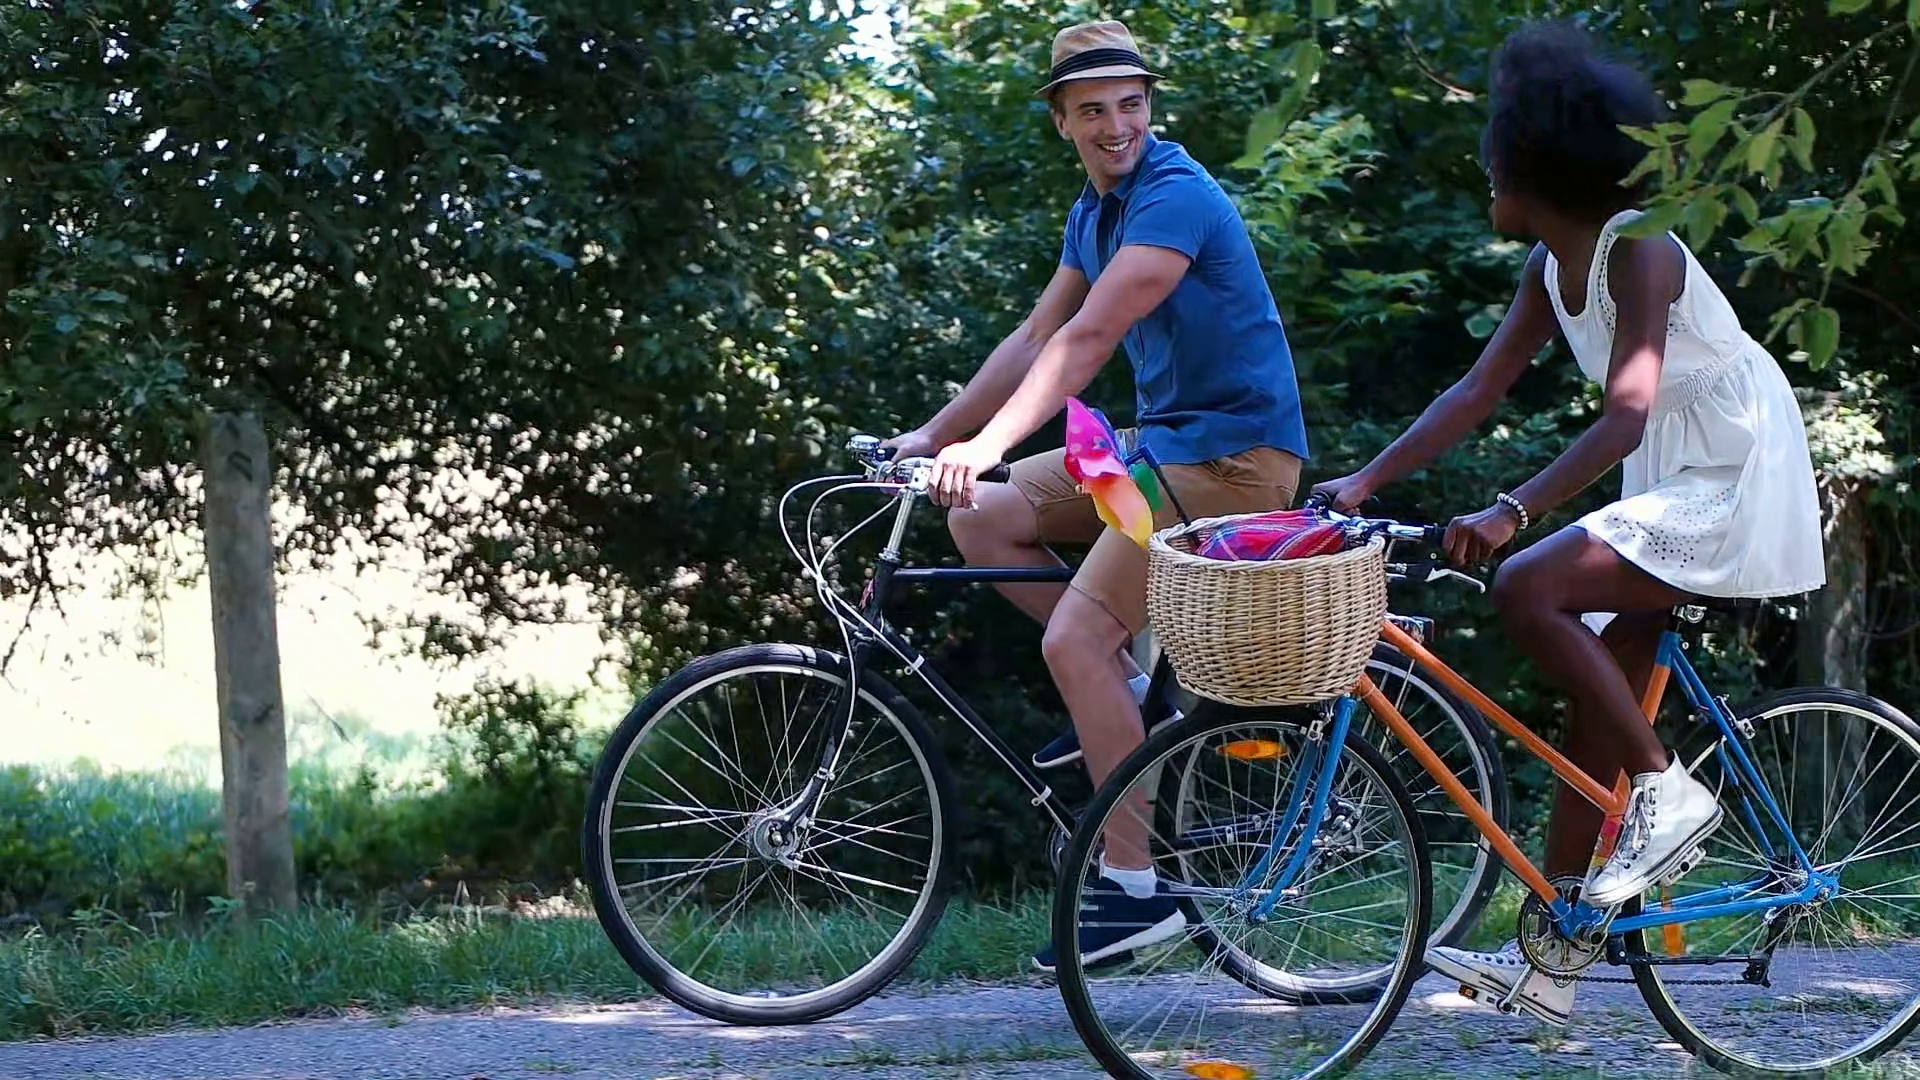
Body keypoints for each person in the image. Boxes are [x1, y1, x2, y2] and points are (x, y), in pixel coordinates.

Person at [1312, 19, 1826, 1025]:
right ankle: (1552, 961)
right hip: (1673, 469)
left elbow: (1627, 410)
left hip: (1734, 468)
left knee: (1529, 585)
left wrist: (1513, 510)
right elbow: (1476, 391)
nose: (1485, 172)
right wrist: (1365, 482)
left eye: (1494, 155)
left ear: (1536, 164)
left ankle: (1669, 792)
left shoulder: (1641, 250)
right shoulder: (1552, 267)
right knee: (1596, 708)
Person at [881, 19, 1311, 973]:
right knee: (980, 513)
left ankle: (1135, 886)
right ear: (1062, 121)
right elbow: (1038, 335)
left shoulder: (1174, 196)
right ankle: (1129, 699)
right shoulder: (1097, 209)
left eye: (1131, 105)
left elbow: (1089, 339)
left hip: (1234, 463)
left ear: (1149, 107)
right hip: (1162, 456)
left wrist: (989, 443)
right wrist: (937, 437)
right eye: (1093, 111)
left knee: (1072, 639)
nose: (1117, 126)